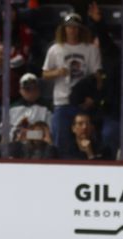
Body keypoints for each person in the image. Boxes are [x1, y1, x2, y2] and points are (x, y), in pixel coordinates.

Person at [42, 13, 102, 155]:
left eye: (75, 28)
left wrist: (93, 98)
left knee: (86, 143)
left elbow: (98, 77)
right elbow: (44, 74)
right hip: (62, 102)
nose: (72, 30)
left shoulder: (91, 49)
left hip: (82, 103)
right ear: (64, 29)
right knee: (61, 143)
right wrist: (57, 72)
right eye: (69, 27)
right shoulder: (55, 49)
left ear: (80, 29)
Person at [8, 72, 52, 141]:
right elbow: (2, 132)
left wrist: (28, 135)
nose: (31, 92)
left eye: (34, 88)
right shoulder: (12, 109)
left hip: (38, 145)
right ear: (20, 91)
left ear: (38, 89)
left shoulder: (47, 108)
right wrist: (17, 134)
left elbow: (49, 133)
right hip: (15, 145)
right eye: (27, 89)